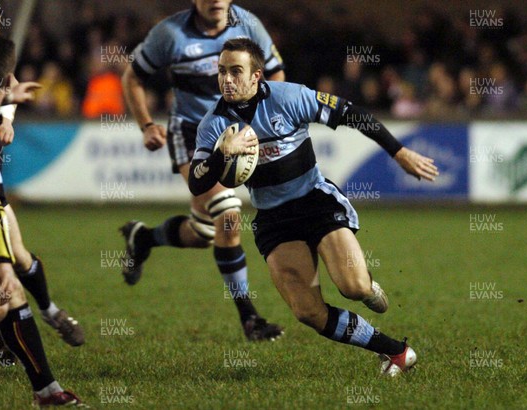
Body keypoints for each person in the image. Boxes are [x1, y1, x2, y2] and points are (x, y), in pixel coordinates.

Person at [189, 38, 440, 375]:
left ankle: (367, 285)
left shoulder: (289, 97)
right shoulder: (214, 125)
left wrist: (399, 152)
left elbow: (351, 113)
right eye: (222, 72)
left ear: (256, 76)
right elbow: (197, 181)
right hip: (274, 220)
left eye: (236, 71)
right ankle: (395, 352)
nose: (227, 80)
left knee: (353, 287)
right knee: (308, 312)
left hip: (315, 203)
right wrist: (224, 152)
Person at [120, 0, 284, 341]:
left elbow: (275, 71)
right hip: (193, 136)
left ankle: (144, 238)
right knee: (228, 213)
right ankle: (250, 318)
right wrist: (146, 125)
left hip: (239, 134)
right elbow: (133, 78)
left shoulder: (248, 24)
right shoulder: (170, 34)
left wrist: (268, 119)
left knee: (203, 233)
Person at [0, 34, 85, 406]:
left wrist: (6, 99)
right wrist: (4, 263)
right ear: (7, 78)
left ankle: (47, 391)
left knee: (8, 297)